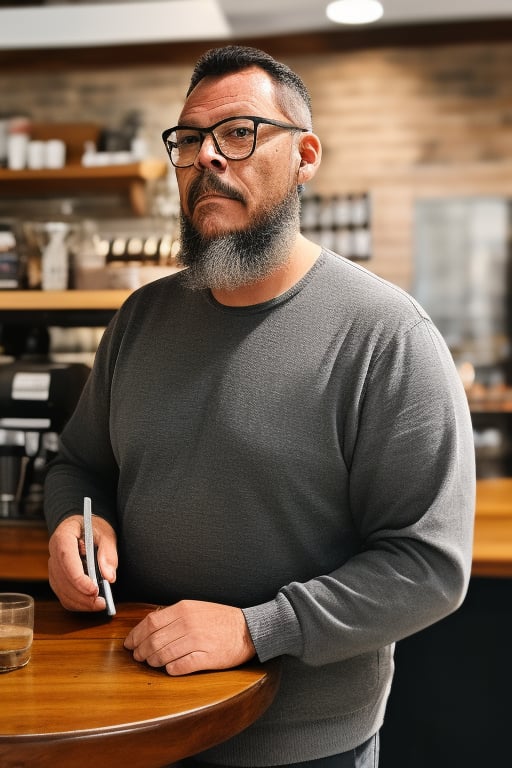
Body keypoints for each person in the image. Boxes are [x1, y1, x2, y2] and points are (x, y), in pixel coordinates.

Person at [44, 45, 475, 768]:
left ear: (305, 155)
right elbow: (80, 464)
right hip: (137, 719)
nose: (208, 157)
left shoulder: (385, 334)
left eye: (239, 133)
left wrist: (255, 630)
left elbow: (428, 566)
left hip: (300, 744)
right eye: (189, 139)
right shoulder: (139, 319)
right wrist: (73, 525)